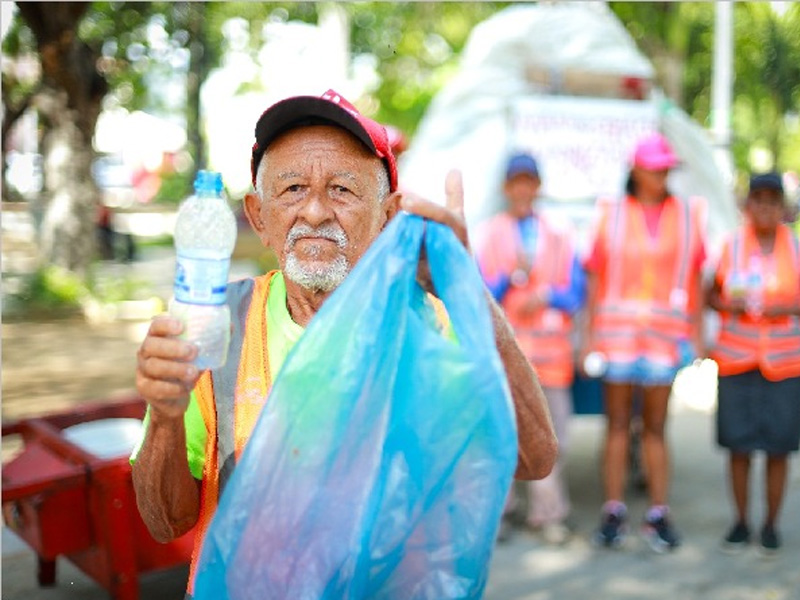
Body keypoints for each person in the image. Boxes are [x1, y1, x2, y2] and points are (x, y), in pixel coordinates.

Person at [131, 89, 558, 597]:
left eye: (342, 189)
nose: (314, 211)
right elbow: (165, 522)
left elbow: (533, 459)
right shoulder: (212, 324)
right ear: (259, 216)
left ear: (388, 216)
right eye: (292, 189)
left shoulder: (429, 325)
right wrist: (165, 416)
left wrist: (466, 290)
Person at [581, 132, 706, 552]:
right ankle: (613, 512)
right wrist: (588, 337)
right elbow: (594, 275)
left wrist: (697, 335)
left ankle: (658, 513)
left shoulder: (687, 215)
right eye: (656, 168)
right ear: (636, 170)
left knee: (655, 427)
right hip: (616, 337)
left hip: (663, 340)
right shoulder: (611, 212)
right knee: (617, 424)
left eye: (666, 169)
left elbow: (696, 276)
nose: (662, 175)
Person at [477, 152, 585, 545]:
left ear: (537, 186)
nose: (522, 189)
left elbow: (577, 292)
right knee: (500, 435)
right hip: (505, 357)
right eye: (516, 182)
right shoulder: (488, 234)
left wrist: (547, 295)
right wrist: (509, 278)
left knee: (554, 439)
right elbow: (476, 292)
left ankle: (549, 513)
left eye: (528, 181)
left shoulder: (560, 231)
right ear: (506, 188)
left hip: (552, 358)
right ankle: (501, 512)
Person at [706, 172, 800, 556]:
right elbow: (710, 294)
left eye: (772, 201)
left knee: (778, 448)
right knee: (738, 446)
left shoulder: (795, 249)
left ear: (783, 208)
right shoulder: (730, 246)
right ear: (748, 205)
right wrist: (728, 304)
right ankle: (741, 523)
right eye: (758, 200)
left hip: (784, 365)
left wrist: (786, 308)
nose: (765, 208)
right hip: (737, 361)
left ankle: (771, 525)